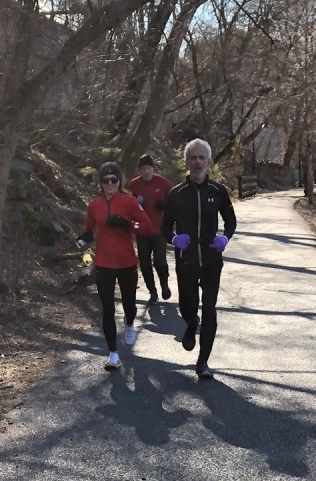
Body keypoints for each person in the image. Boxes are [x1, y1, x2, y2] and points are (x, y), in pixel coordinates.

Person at [161, 138, 237, 380]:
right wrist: (173, 240)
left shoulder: (218, 192)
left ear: (208, 161)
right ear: (187, 162)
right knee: (187, 307)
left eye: (201, 157)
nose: (197, 162)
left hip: (212, 261)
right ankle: (191, 324)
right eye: (193, 157)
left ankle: (203, 361)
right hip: (186, 262)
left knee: (211, 310)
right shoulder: (176, 194)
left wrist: (225, 238)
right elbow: (164, 227)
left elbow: (231, 221)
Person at [76, 161, 152, 371]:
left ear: (120, 181)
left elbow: (146, 226)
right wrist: (83, 238)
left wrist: (128, 224)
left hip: (127, 262)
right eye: (105, 180)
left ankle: (129, 322)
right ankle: (113, 354)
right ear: (100, 183)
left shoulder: (129, 202)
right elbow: (88, 228)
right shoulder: (94, 205)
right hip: (104, 263)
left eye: (114, 180)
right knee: (107, 309)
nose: (109, 183)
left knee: (129, 304)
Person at [128, 153, 173, 304]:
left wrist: (166, 206)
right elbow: (127, 205)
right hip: (142, 232)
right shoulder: (134, 185)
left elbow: (175, 202)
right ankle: (152, 292)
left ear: (153, 169)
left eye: (148, 168)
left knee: (159, 262)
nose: (146, 172)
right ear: (139, 171)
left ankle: (164, 285)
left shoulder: (163, 183)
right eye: (143, 169)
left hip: (159, 230)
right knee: (145, 264)